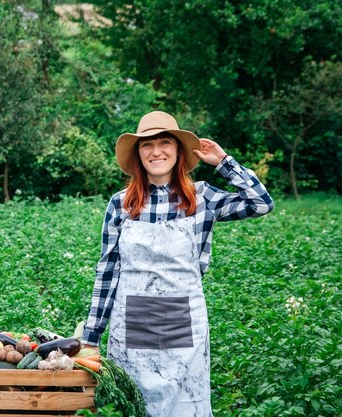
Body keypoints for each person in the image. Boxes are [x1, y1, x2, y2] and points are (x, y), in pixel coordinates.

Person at [80, 111, 274, 417]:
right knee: (134, 405)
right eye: (147, 145)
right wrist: (90, 338)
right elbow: (108, 271)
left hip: (182, 317)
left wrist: (224, 162)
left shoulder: (202, 198)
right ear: (138, 154)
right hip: (132, 319)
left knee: (184, 407)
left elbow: (260, 203)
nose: (156, 151)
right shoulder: (121, 203)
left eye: (164, 142)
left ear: (178, 150)